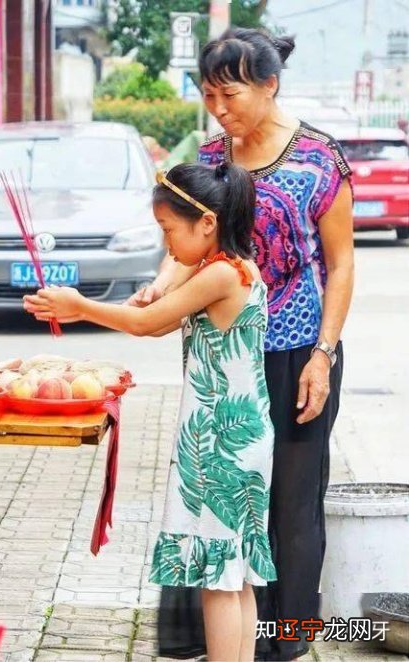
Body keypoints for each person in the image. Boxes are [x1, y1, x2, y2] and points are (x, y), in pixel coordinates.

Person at [128, 28, 355, 661]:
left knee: (290, 500)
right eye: (208, 96)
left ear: (269, 85)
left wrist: (324, 355)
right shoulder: (211, 154)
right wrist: (159, 286)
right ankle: (214, 639)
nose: (219, 110)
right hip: (226, 358)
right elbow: (195, 245)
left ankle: (284, 643)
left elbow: (341, 266)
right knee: (216, 499)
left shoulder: (319, 158)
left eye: (229, 95)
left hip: (295, 354)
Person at [24, 162, 277, 662]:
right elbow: (156, 321)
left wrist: (80, 304)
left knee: (218, 579)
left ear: (206, 223)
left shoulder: (221, 274)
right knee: (235, 572)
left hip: (219, 441)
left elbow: (144, 326)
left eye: (168, 231)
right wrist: (121, 303)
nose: (167, 247)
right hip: (242, 435)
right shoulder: (232, 266)